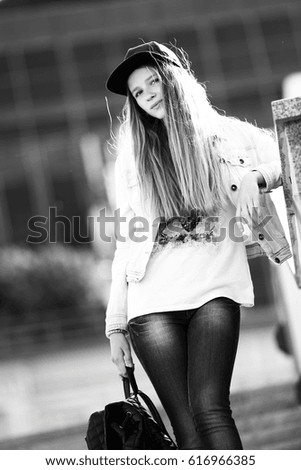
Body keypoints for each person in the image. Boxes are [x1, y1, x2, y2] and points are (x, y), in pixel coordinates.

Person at [104, 41, 291, 450]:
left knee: (211, 408)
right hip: (151, 305)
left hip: (216, 292)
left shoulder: (229, 136)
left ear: (176, 81)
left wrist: (256, 177)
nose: (148, 94)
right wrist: (115, 325)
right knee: (185, 427)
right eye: (138, 92)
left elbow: (293, 155)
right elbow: (126, 240)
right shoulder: (133, 157)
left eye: (154, 81)